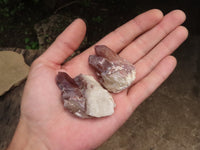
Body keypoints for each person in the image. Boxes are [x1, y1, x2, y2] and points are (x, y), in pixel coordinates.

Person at [7, 9, 188, 150]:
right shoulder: (83, 91)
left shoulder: (97, 83)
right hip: (97, 94)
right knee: (92, 65)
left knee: (97, 61)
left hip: (106, 88)